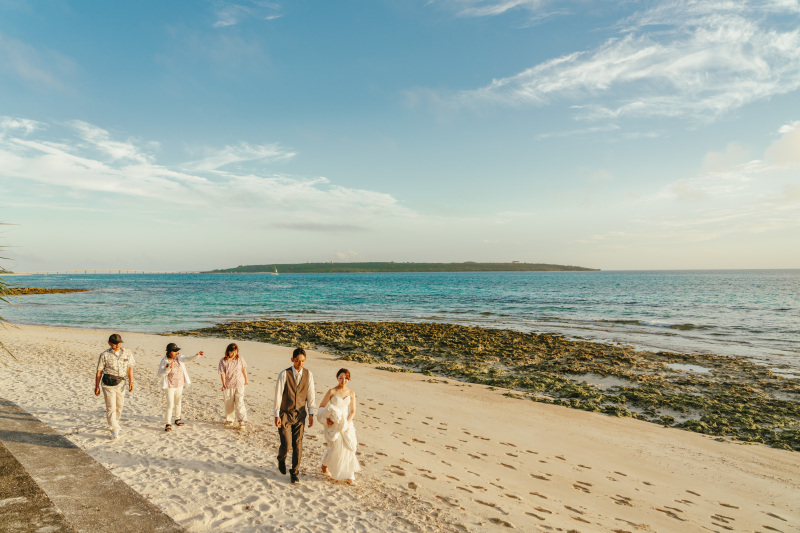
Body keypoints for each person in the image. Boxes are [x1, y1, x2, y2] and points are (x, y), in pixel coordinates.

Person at [274, 347, 316, 484]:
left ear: (305, 361)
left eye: (303, 361)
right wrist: (276, 415)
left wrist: (311, 413)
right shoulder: (284, 374)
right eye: (297, 361)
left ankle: (295, 472)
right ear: (292, 360)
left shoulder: (309, 375)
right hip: (285, 413)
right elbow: (278, 395)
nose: (300, 363)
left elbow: (311, 395)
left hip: (300, 415)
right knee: (287, 444)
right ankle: (281, 458)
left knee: (298, 444)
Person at [318, 368, 359, 484]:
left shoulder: (351, 393)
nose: (343, 380)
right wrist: (326, 419)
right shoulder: (332, 392)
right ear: (337, 378)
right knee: (335, 448)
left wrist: (346, 423)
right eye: (341, 378)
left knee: (350, 447)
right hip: (334, 423)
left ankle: (350, 476)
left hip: (347, 423)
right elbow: (321, 407)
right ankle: (325, 465)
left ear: (348, 379)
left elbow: (352, 411)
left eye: (346, 378)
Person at [94, 333, 135, 440]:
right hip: (108, 383)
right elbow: (99, 371)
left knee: (119, 406)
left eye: (119, 343)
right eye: (115, 343)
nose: (118, 345)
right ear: (110, 343)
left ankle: (115, 422)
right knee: (111, 407)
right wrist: (97, 386)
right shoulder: (104, 355)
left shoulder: (127, 353)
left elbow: (130, 368)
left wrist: (131, 381)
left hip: (121, 382)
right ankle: (114, 429)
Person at [157, 342, 203, 432]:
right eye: (175, 351)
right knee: (170, 404)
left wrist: (196, 355)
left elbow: (188, 359)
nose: (177, 353)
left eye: (177, 351)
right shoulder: (164, 361)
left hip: (179, 384)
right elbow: (159, 375)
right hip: (170, 386)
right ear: (169, 352)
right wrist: (167, 369)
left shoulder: (179, 358)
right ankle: (168, 424)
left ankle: (177, 419)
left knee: (178, 402)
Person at [218, 343, 249, 429]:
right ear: (227, 352)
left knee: (239, 401)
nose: (233, 354)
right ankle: (230, 419)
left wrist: (246, 378)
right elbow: (222, 373)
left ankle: (241, 420)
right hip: (229, 384)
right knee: (229, 402)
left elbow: (243, 368)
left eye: (235, 352)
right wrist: (223, 384)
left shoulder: (240, 358)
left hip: (240, 383)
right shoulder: (223, 361)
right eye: (231, 352)